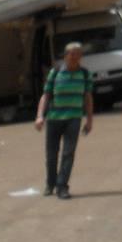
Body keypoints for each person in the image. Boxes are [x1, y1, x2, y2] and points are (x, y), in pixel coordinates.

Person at [34, 42, 94, 199]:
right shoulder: (55, 73)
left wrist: (89, 120)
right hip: (54, 118)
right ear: (66, 56)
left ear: (81, 57)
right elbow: (46, 95)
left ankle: (62, 186)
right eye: (71, 54)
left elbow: (87, 98)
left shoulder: (85, 74)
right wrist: (40, 116)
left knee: (68, 153)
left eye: (78, 54)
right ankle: (50, 183)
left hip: (73, 119)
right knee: (51, 154)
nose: (74, 57)